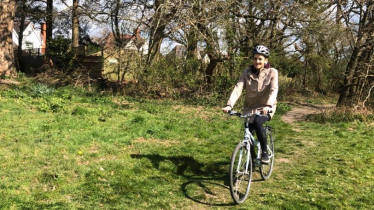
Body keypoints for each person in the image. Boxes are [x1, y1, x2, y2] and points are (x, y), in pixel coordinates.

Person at [222, 45, 278, 164]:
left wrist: (268, 105)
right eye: (255, 58)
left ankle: (264, 152)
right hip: (249, 108)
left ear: (265, 60)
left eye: (260, 59)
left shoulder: (272, 72)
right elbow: (238, 89)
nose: (257, 61)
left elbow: (274, 90)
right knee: (249, 134)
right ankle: (251, 160)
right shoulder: (246, 73)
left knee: (258, 122)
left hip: (266, 107)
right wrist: (229, 105)